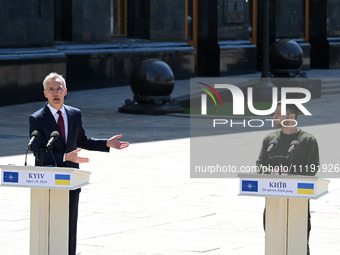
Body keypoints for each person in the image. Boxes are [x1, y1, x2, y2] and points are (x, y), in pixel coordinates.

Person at [29, 72, 129, 255]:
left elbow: (82, 140)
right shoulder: (37, 118)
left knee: (69, 225)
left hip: (71, 179)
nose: (56, 93)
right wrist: (66, 157)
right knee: (49, 224)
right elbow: (38, 153)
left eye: (59, 88)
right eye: (51, 89)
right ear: (45, 93)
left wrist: (106, 143)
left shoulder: (74, 114)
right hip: (47, 180)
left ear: (65, 91)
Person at [257, 101, 319, 255]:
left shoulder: (307, 140)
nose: (274, 116)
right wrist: (270, 171)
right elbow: (260, 164)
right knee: (273, 240)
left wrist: (291, 174)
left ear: (291, 116)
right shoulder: (270, 139)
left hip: (298, 202)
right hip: (272, 200)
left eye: (278, 113)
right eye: (275, 113)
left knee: (298, 243)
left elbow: (312, 168)